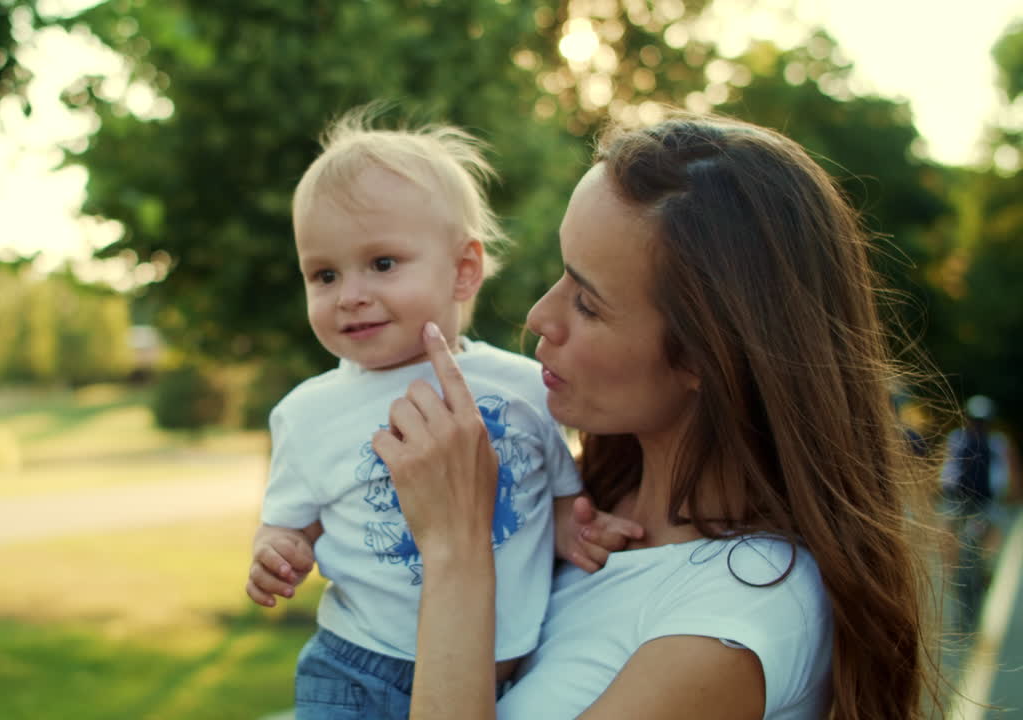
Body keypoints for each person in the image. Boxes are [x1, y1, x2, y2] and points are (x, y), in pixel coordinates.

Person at [370, 113, 942, 719]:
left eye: (587, 303)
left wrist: (457, 550)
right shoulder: (580, 512)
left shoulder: (744, 611)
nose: (539, 316)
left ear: (705, 354)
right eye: (561, 273)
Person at [245, 108, 599, 720]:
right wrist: (278, 553)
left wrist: (585, 531)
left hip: (511, 671)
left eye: (382, 264)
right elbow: (289, 525)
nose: (350, 294)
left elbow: (558, 497)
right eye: (323, 274)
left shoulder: (525, 387)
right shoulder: (308, 414)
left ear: (464, 271)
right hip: (359, 671)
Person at [941, 394, 1013, 633]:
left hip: (961, 502)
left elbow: (947, 471)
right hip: (984, 503)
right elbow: (1003, 477)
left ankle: (953, 569)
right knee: (992, 531)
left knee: (949, 536)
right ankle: (987, 566)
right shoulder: (996, 442)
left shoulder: (958, 438)